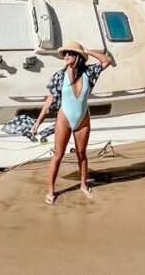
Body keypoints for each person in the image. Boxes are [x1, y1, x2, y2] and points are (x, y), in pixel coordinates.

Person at [31, 41, 113, 204]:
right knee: (58, 155)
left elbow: (106, 61)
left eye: (70, 53)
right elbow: (50, 99)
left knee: (81, 154)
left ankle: (83, 185)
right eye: (65, 54)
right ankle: (51, 190)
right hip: (64, 119)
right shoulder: (59, 76)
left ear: (78, 57)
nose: (66, 56)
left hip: (83, 119)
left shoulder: (89, 73)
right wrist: (38, 122)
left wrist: (87, 50)